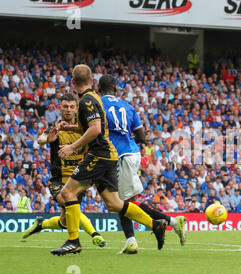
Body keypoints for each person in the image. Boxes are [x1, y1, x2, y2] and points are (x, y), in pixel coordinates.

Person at [51, 64, 166, 256]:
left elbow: (95, 129)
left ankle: (73, 241)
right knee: (114, 203)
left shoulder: (87, 101)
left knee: (67, 192)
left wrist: (72, 146)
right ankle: (155, 224)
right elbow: (94, 126)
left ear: (72, 81)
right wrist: (69, 128)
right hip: (109, 155)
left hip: (98, 155)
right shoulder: (94, 98)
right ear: (91, 81)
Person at [99, 74, 186, 254]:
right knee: (126, 202)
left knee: (120, 203)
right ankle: (173, 223)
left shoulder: (98, 105)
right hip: (131, 154)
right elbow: (141, 137)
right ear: (116, 89)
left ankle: (135, 240)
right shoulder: (128, 107)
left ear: (98, 90)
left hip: (119, 156)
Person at [23, 93, 106, 247]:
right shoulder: (54, 129)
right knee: (68, 202)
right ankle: (95, 234)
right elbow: (40, 139)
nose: (68, 110)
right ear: (59, 107)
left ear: (76, 109)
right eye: (65, 106)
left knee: (66, 221)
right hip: (59, 180)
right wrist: (47, 140)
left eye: (71, 107)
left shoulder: (84, 130)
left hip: (78, 180)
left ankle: (41, 225)